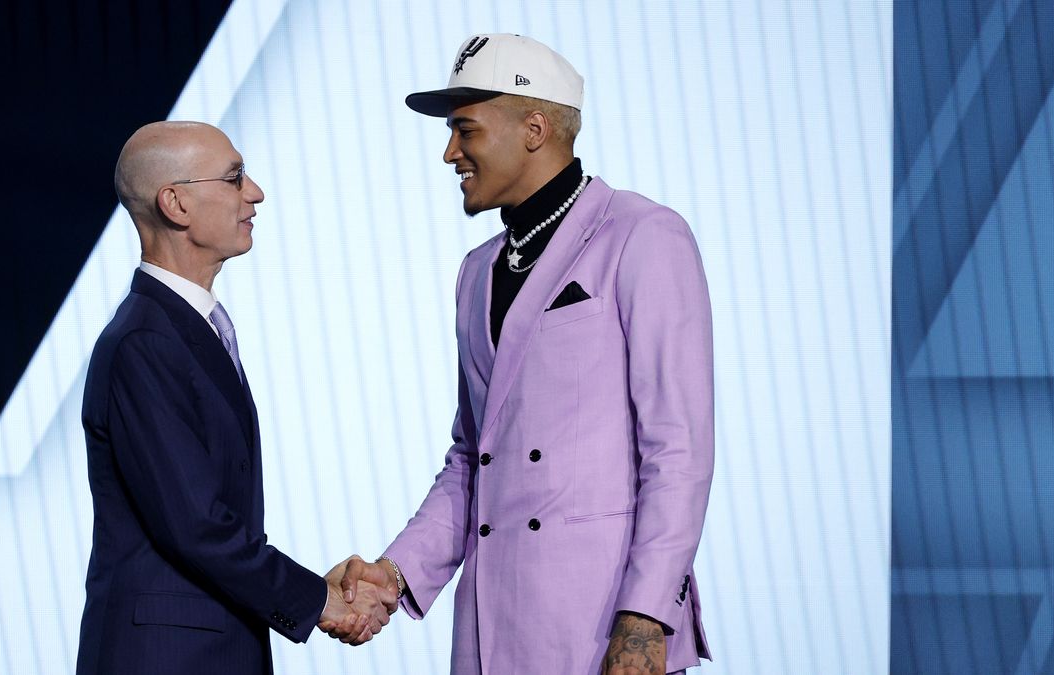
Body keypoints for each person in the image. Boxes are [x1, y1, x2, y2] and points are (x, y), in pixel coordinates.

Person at [339, 34, 715, 674]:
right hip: (490, 627)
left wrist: (648, 615)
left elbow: (678, 448)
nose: (449, 152)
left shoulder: (643, 236)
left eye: (466, 131)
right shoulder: (477, 270)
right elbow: (473, 457)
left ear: (535, 128)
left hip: (602, 629)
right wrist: (395, 573)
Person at [77, 121, 394, 675]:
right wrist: (318, 603)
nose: (255, 193)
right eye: (234, 178)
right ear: (175, 204)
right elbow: (195, 524)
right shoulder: (145, 341)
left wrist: (313, 590)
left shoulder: (180, 327)